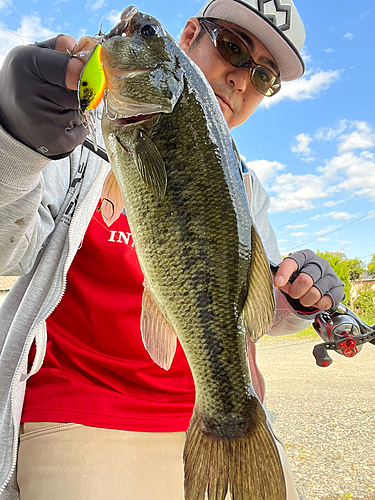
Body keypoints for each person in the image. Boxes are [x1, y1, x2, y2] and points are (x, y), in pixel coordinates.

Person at [0, 0, 344, 499]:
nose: (242, 81)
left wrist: (297, 299)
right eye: (232, 48)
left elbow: (256, 312)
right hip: (81, 407)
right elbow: (10, 251)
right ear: (189, 36)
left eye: (265, 77)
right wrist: (17, 146)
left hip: (208, 413)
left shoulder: (247, 189)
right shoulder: (67, 131)